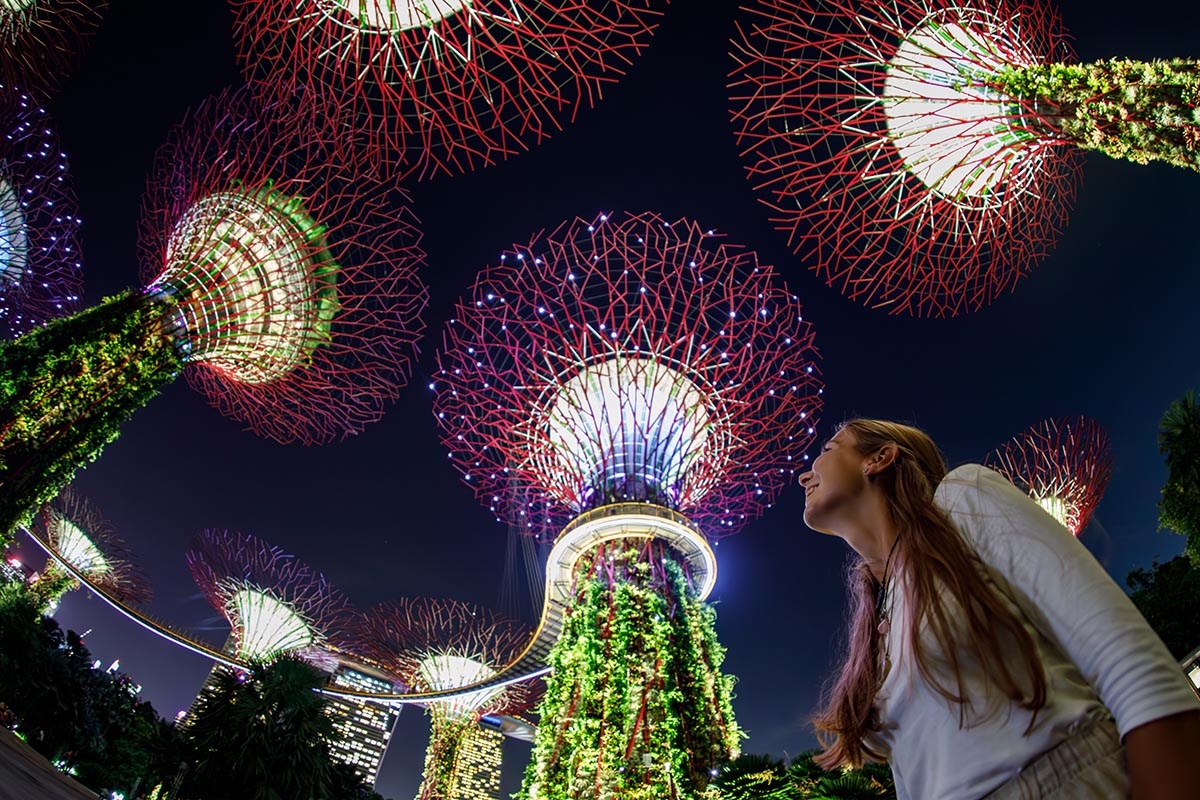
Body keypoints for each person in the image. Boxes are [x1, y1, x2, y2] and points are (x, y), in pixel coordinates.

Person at [798, 419, 1200, 800]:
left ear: (879, 458)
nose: (804, 475)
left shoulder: (960, 500)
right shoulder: (881, 611)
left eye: (829, 448)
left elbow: (1129, 663)